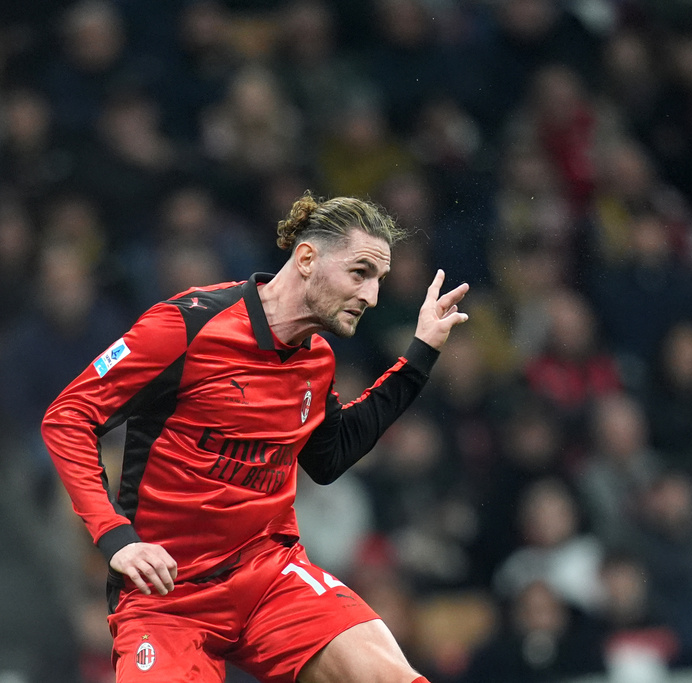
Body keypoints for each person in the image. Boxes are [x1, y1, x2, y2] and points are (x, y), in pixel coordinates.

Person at [41, 191, 469, 683]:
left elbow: (329, 459)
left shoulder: (317, 361)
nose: (371, 297)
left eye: (379, 281)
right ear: (307, 258)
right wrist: (115, 538)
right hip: (166, 595)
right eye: (359, 273)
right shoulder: (187, 326)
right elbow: (69, 416)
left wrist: (418, 358)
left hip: (271, 578)